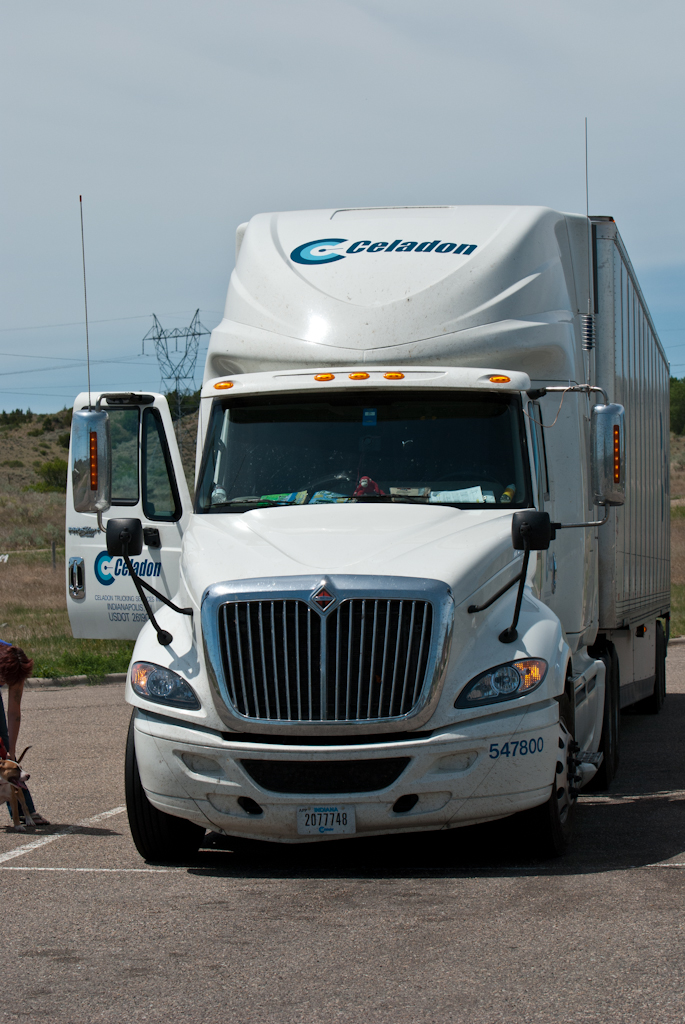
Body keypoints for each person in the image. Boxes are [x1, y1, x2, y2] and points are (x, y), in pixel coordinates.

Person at [0, 641, 49, 826]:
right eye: (2, 679)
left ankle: (23, 811)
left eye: (7, 682)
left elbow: (13, 713)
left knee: (3, 749)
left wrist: (11, 751)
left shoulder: (16, 667)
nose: (4, 684)